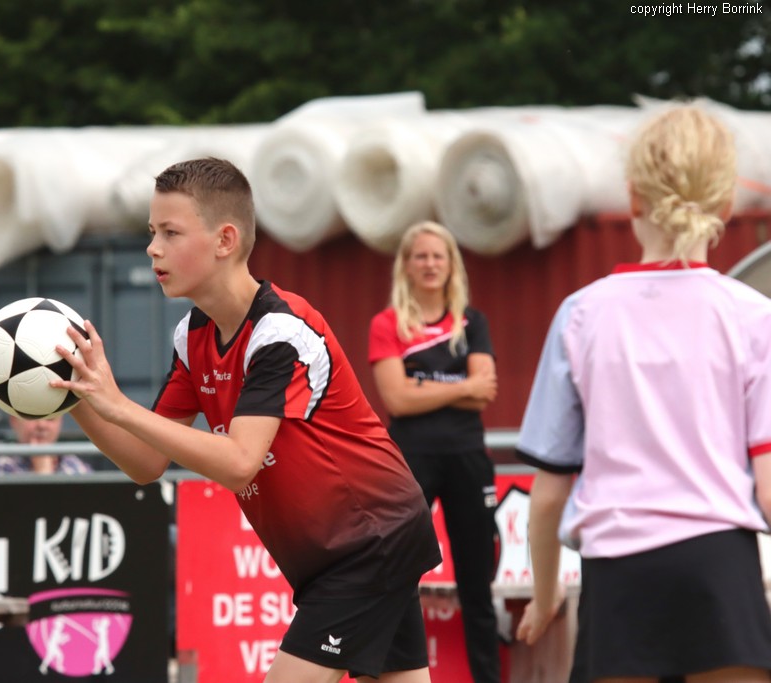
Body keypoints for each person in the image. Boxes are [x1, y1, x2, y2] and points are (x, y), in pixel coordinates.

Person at [52, 157, 440, 683]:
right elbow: (146, 463)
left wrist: (118, 404)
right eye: (151, 232)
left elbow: (239, 463)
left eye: (170, 232)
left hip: (369, 540)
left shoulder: (281, 333)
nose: (152, 248)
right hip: (343, 549)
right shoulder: (193, 335)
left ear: (225, 240)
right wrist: (75, 397)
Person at [514, 104, 771, 683]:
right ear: (727, 205)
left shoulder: (582, 315)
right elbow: (769, 486)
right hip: (719, 567)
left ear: (632, 198)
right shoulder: (755, 318)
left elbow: (549, 495)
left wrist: (547, 594)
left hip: (618, 573)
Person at [368, 221, 501, 683]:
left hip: (468, 459)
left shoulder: (472, 322)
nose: (429, 264)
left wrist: (422, 384)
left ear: (451, 265)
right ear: (406, 265)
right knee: (396, 579)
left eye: (438, 256)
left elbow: (485, 393)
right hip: (410, 461)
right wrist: (461, 386)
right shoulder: (387, 324)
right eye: (421, 256)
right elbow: (397, 399)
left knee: (477, 588)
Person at [0, 414, 92, 474]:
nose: (42, 425)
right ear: (14, 420)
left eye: (50, 419)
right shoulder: (2, 467)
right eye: (33, 417)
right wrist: (43, 472)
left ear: (60, 422)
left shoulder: (76, 466)